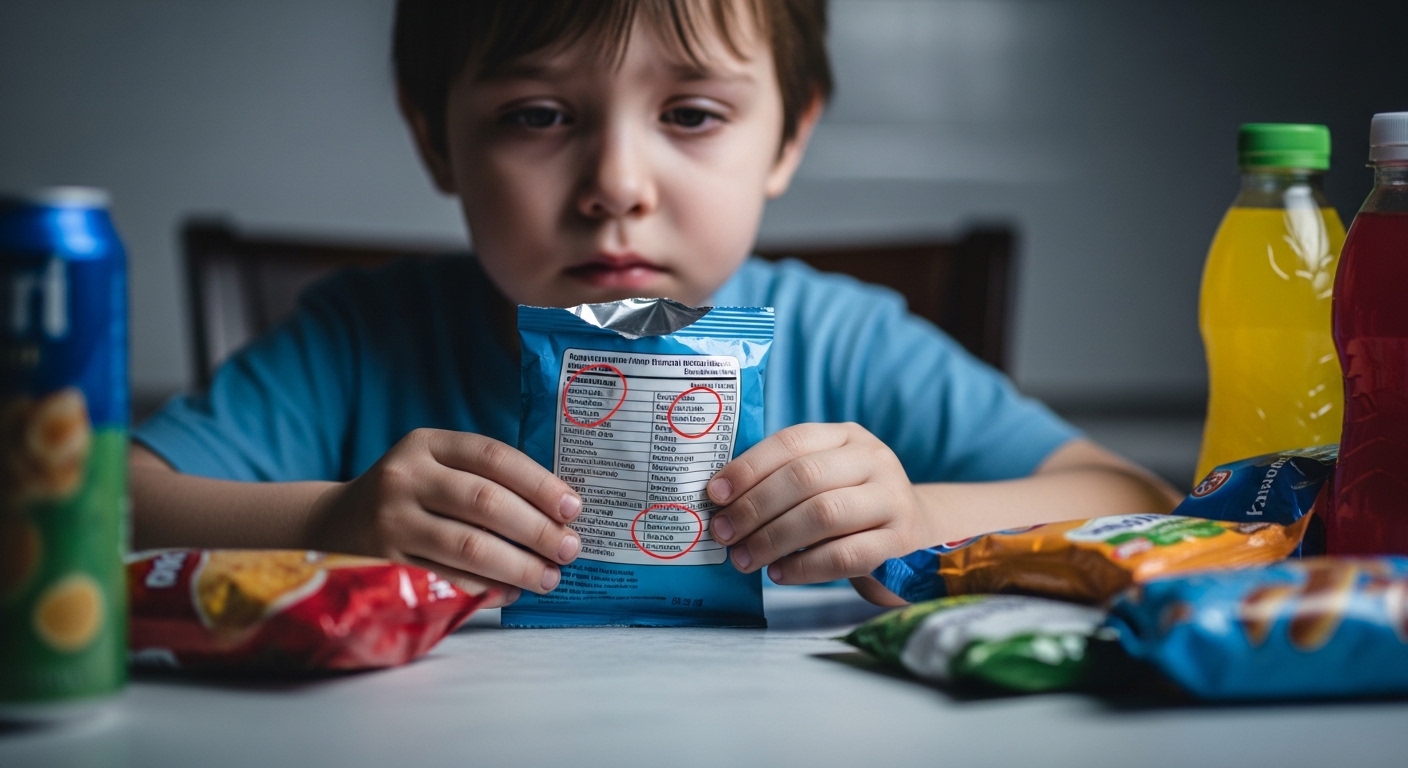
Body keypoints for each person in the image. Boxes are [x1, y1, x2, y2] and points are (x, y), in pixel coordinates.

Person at [131, 0, 1180, 609]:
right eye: (538, 115)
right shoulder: (359, 341)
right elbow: (99, 506)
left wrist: (922, 518)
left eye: (690, 113)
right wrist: (327, 521)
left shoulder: (848, 341)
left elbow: (1133, 495)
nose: (616, 184)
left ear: (788, 136)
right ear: (433, 137)